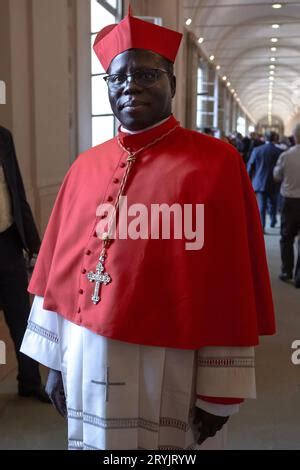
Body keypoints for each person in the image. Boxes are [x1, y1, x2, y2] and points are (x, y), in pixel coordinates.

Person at [20, 8, 275, 450]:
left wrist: (221, 387)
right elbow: (58, 271)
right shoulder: (84, 166)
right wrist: (55, 362)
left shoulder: (216, 162)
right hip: (85, 351)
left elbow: (230, 279)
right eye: (117, 78)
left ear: (172, 83)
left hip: (174, 357)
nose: (130, 86)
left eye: (146, 74)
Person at [0, 125, 50, 402]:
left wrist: (34, 244)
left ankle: (29, 383)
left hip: (7, 242)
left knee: (22, 319)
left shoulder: (3, 137)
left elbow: (17, 192)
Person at [273, 123, 300, 288]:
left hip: (289, 201)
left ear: (295, 137)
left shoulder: (286, 155)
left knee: (286, 238)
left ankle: (287, 271)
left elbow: (277, 176)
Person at [247, 130, 283, 231]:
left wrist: (248, 180)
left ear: (265, 138)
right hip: (274, 181)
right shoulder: (279, 151)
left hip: (259, 182)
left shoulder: (257, 150)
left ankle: (262, 226)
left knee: (261, 206)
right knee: (274, 203)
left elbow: (250, 166)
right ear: (275, 138)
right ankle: (273, 220)